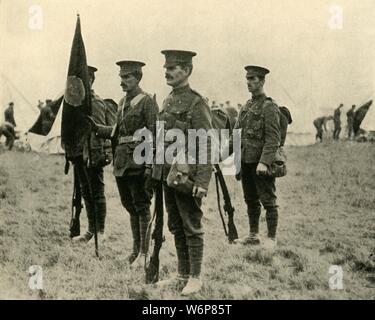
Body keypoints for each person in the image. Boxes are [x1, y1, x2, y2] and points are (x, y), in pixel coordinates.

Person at [152, 50, 212, 296]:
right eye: (166, 66)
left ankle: (195, 277)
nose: (167, 71)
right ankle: (182, 275)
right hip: (168, 173)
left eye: (173, 67)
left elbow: (207, 144)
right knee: (175, 224)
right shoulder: (168, 99)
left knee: (191, 225)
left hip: (186, 175)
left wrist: (202, 181)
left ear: (187, 70)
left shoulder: (197, 103)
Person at [91, 61, 158, 265]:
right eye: (121, 77)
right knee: (130, 206)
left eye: (127, 77)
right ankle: (136, 251)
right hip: (122, 162)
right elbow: (116, 132)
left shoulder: (147, 101)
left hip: (139, 160)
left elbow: (155, 134)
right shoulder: (121, 103)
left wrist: (149, 165)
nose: (122, 81)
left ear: (137, 78)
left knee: (141, 206)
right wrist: (96, 128)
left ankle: (145, 254)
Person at [234, 65, 280, 250]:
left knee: (268, 200)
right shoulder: (246, 106)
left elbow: (273, 138)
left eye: (252, 79)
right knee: (250, 199)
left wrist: (264, 162)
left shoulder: (269, 106)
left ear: (262, 81)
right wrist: (219, 155)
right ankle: (253, 235)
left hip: (260, 163)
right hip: (245, 161)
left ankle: (271, 238)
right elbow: (236, 135)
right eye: (247, 79)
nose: (248, 82)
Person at [72, 66, 115, 244]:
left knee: (96, 192)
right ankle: (91, 230)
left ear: (90, 80)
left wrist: (94, 157)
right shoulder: (76, 102)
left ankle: (100, 232)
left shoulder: (94, 101)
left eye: (84, 79)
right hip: (79, 153)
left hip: (92, 154)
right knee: (85, 192)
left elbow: (97, 130)